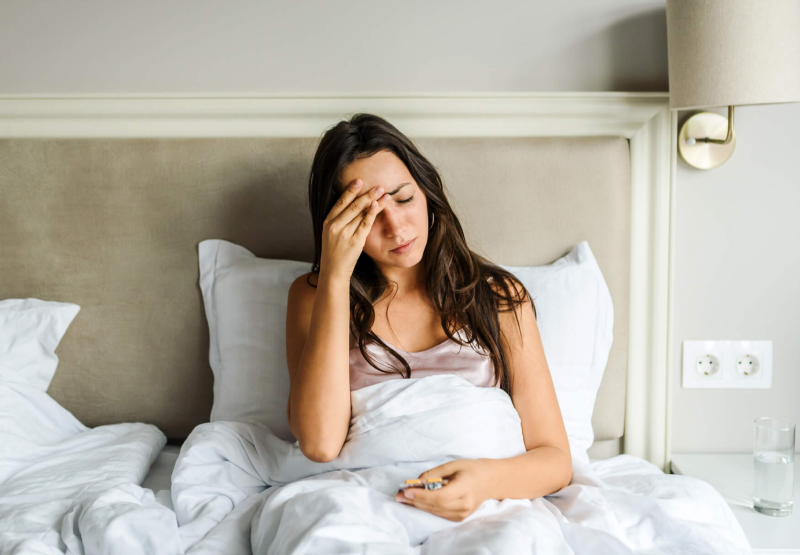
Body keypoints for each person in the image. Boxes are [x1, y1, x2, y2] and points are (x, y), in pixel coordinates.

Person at [284, 113, 572, 522]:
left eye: (403, 199)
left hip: (486, 504)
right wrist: (334, 275)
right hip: (364, 504)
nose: (396, 227)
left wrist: (485, 481)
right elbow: (319, 443)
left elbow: (556, 460)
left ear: (427, 192)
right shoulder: (314, 296)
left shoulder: (498, 298)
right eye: (368, 215)